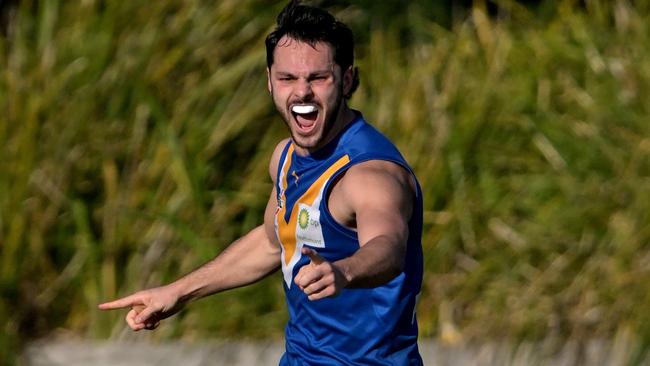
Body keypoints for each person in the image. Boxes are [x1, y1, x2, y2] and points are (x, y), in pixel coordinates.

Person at [99, 1, 424, 364]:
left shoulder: (370, 174)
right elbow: (272, 243)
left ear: (346, 80)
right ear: (270, 82)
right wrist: (177, 293)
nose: (302, 92)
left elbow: (389, 247)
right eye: (288, 78)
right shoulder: (286, 159)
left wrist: (345, 270)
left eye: (318, 78)